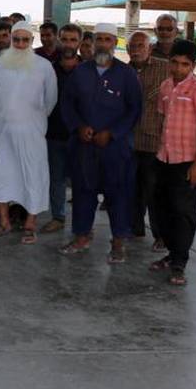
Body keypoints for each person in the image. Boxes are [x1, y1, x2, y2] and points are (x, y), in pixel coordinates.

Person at [60, 23, 144, 264]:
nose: (103, 44)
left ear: (115, 43)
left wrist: (113, 133)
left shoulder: (126, 74)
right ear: (93, 42)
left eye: (108, 39)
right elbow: (67, 104)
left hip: (114, 148)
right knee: (83, 192)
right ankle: (81, 236)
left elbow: (134, 109)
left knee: (117, 194)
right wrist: (78, 127)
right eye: (99, 39)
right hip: (84, 145)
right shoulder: (80, 72)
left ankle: (118, 242)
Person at [0, 22, 58, 242]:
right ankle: (4, 222)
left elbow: (50, 100)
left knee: (32, 177)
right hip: (2, 131)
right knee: (1, 175)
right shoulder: (0, 65)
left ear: (32, 41)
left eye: (25, 40)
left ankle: (30, 224)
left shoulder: (43, 66)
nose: (20, 44)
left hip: (31, 132)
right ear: (11, 40)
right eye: (16, 39)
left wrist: (33, 122)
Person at [151, 40, 196, 287]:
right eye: (175, 63)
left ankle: (179, 263)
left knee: (183, 213)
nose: (179, 69)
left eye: (185, 64)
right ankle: (171, 254)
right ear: (170, 62)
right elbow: (162, 120)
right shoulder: (165, 86)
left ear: (193, 66)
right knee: (162, 210)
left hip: (186, 161)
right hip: (163, 158)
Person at [127, 30, 170, 248]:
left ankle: (161, 236)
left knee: (155, 191)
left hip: (154, 140)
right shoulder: (123, 71)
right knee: (132, 188)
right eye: (132, 47)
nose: (136, 50)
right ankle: (135, 228)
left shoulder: (166, 69)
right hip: (129, 140)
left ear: (150, 49)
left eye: (140, 46)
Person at [41, 22, 83, 234]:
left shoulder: (88, 70)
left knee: (81, 181)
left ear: (79, 42)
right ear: (59, 39)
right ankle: (58, 217)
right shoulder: (48, 69)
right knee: (55, 179)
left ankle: (83, 223)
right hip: (54, 133)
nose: (68, 44)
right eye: (64, 39)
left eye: (73, 40)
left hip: (80, 135)